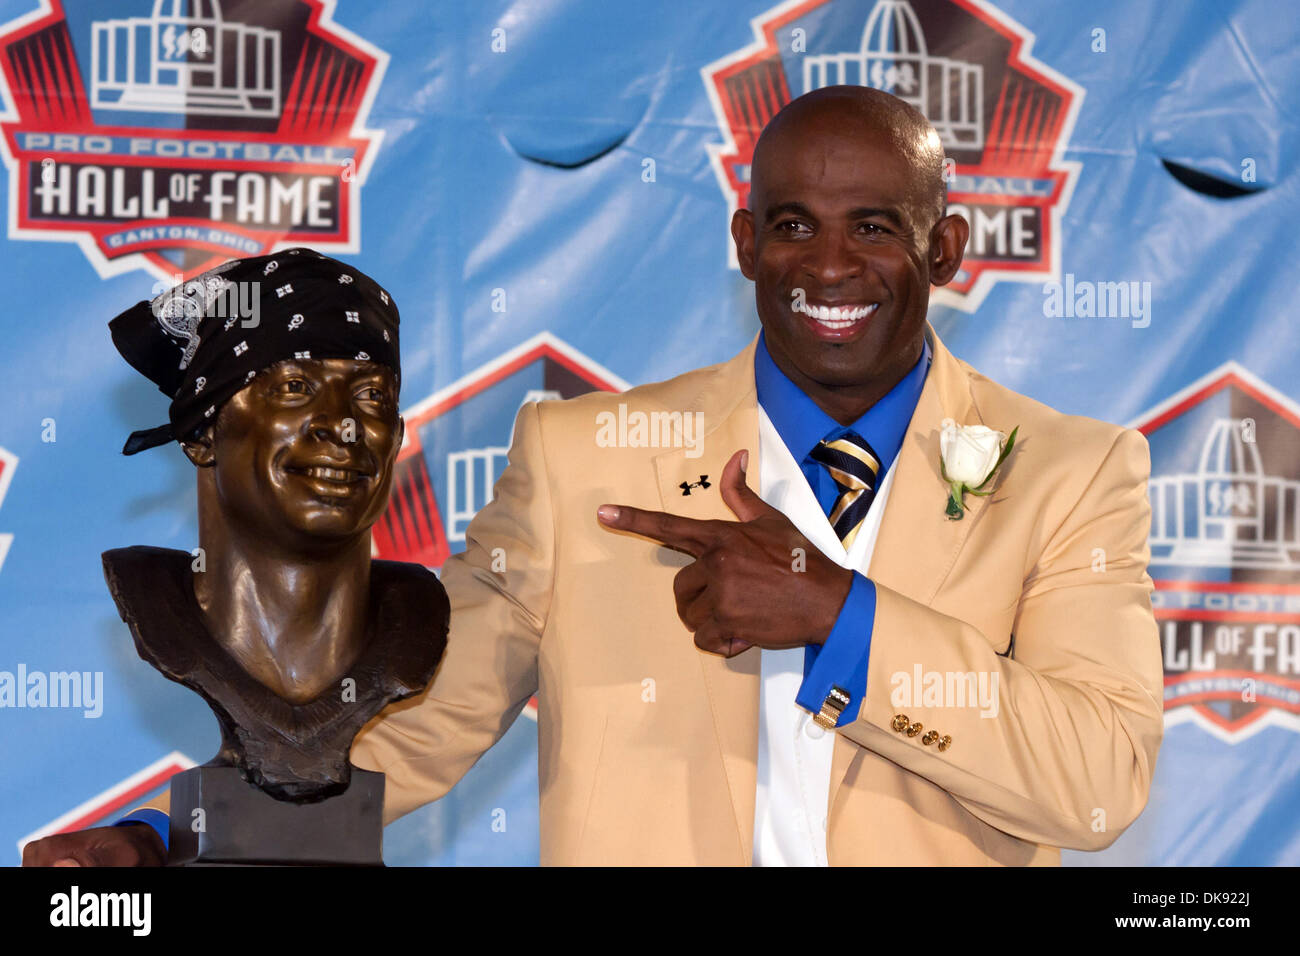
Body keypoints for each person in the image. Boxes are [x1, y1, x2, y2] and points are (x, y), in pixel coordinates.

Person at [26, 86, 1163, 866]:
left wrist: (838, 619)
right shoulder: (582, 460)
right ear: (741, 240)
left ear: (948, 250)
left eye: (874, 225)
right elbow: (405, 727)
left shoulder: (1071, 471)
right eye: (790, 224)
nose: (828, 264)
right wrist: (166, 838)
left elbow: (1096, 780)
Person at [23, 250, 447, 866]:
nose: (343, 427)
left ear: (399, 433)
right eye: (296, 388)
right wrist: (151, 832)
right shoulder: (158, 606)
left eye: (372, 395)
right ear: (201, 432)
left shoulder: (418, 624)